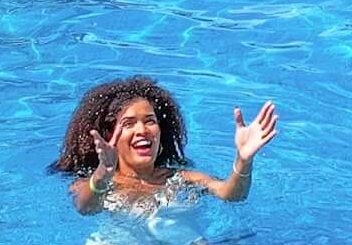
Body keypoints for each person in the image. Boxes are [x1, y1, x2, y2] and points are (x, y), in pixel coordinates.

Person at [54, 76, 277, 212]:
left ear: (162, 132)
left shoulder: (181, 179)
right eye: (128, 124)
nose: (142, 130)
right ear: (110, 136)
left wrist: (244, 160)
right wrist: (104, 171)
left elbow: (232, 195)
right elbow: (86, 208)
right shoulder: (93, 182)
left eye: (150, 121)